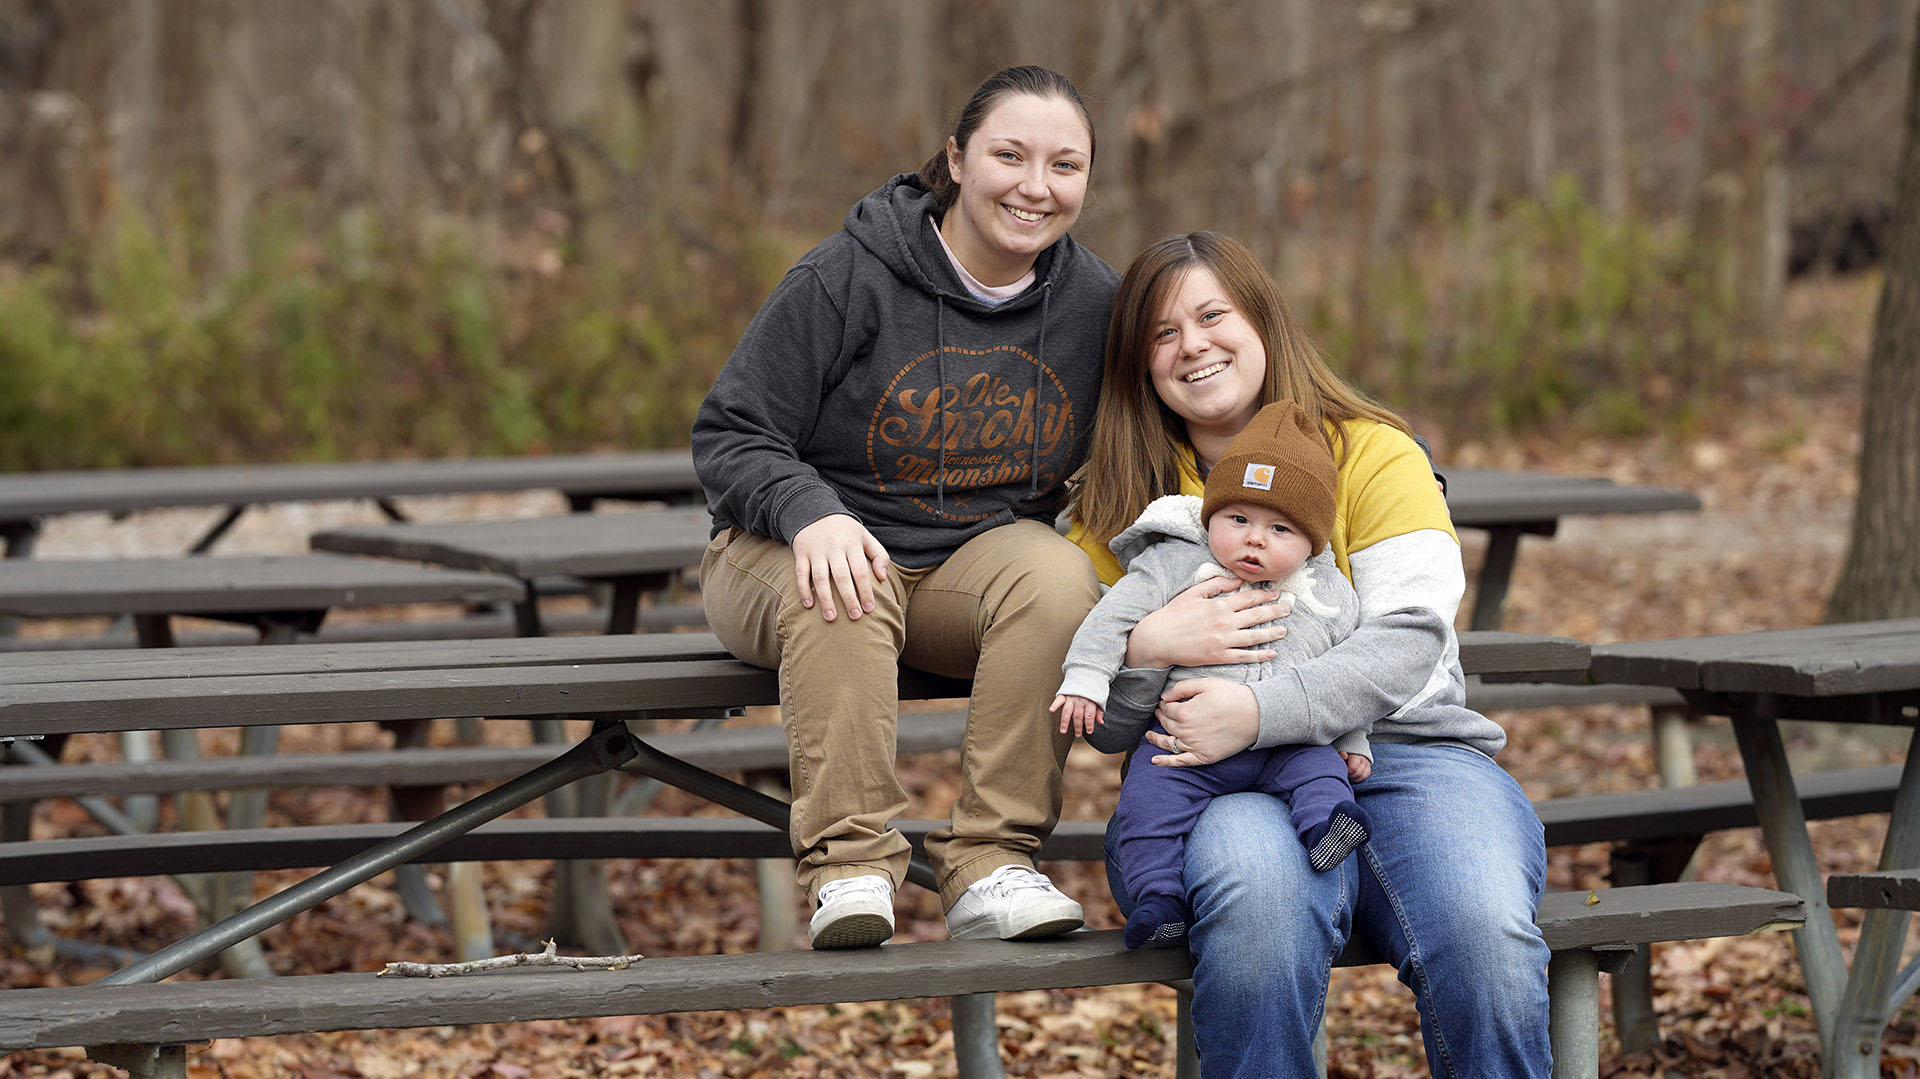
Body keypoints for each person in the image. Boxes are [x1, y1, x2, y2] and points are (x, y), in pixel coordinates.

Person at [1068, 232, 1551, 1077]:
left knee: (1482, 933)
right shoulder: (1124, 499)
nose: (1192, 345)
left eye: (1212, 316)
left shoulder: (1372, 452)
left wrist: (1258, 710)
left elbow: (1409, 641)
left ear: (1263, 320)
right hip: (1215, 779)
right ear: (1139, 362)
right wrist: (1148, 645)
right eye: (1162, 332)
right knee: (1258, 905)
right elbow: (1102, 723)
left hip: (1412, 756)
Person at [692, 66, 1120, 951]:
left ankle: (992, 861)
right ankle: (848, 865)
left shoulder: (1094, 307)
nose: (1036, 186)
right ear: (957, 160)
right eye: (1010, 155)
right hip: (783, 551)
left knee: (1059, 576)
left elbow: (1182, 411)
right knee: (846, 580)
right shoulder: (846, 276)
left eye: (1065, 165)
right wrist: (809, 510)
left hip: (963, 569)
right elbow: (730, 432)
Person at [1050, 401, 1374, 951]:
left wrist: (1353, 739)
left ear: (1312, 543)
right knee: (1147, 807)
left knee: (1321, 772)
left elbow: (1343, 674)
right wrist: (1085, 677)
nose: (1254, 539)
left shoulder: (1331, 594)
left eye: (1280, 529)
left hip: (1285, 740)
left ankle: (1327, 828)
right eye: (1238, 519)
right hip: (1183, 746)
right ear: (1210, 516)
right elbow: (1111, 618)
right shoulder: (1173, 563)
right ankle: (1158, 899)